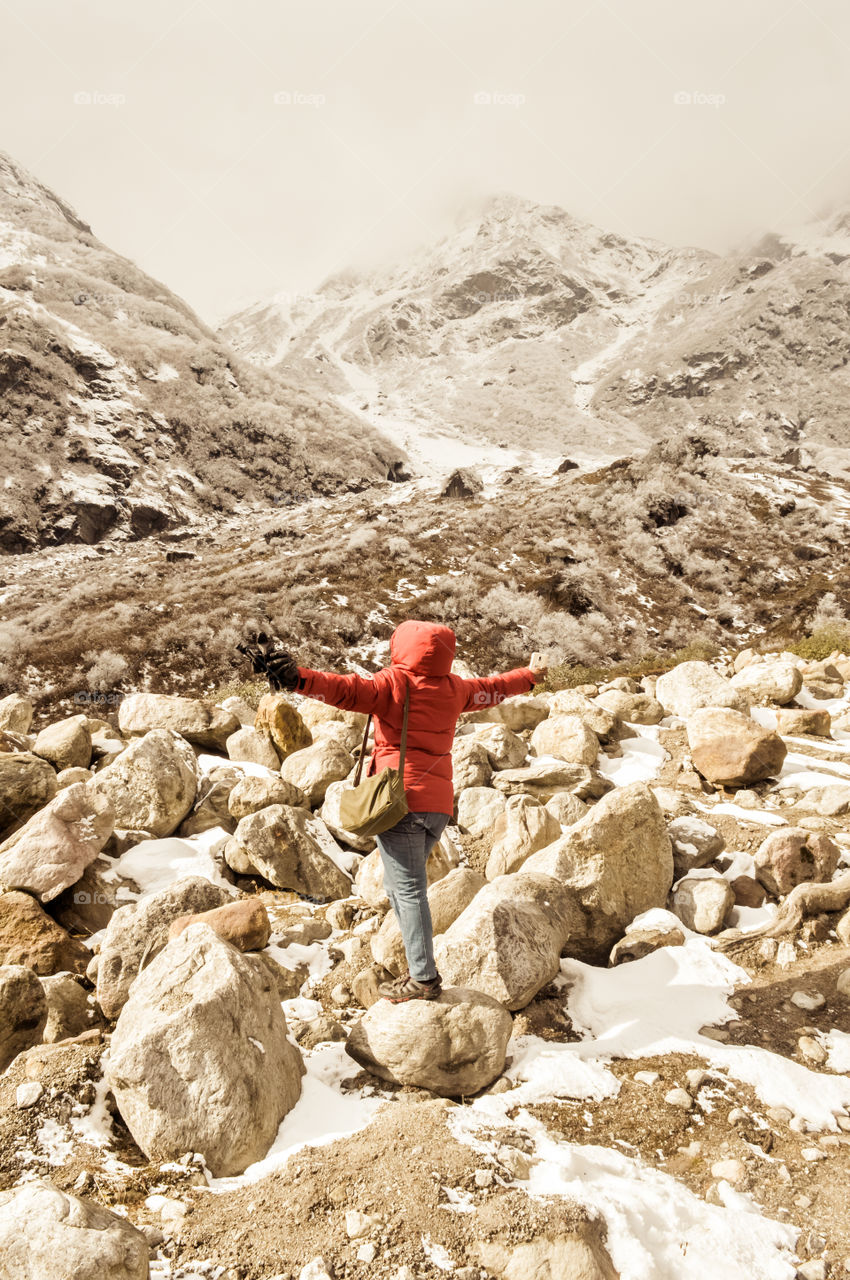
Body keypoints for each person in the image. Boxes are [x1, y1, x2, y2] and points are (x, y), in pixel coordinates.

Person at [239, 620, 546, 1003]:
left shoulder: (393, 685)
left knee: (409, 889)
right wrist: (530, 677)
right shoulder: (456, 689)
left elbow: (344, 690)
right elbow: (495, 688)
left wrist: (296, 679)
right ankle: (418, 966)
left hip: (400, 802)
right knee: (398, 886)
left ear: (401, 647)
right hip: (436, 806)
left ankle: (423, 978)